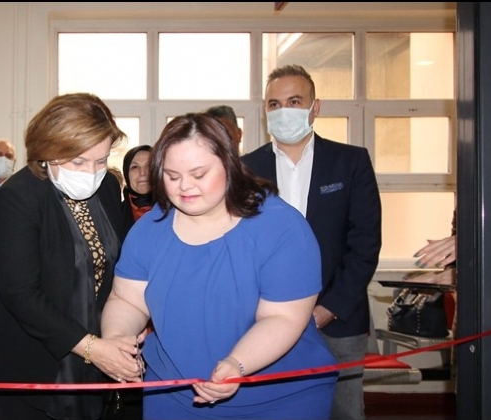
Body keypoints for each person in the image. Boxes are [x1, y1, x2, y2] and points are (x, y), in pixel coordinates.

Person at [102, 112, 337, 419]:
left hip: (279, 398)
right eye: (172, 176)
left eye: (199, 174)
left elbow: (281, 318)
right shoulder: (151, 229)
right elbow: (127, 300)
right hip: (174, 393)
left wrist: (237, 363)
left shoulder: (280, 227)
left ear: (229, 165)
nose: (184, 186)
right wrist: (117, 338)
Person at [0, 93, 143, 420]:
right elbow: (20, 293)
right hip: (32, 358)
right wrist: (92, 347)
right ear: (47, 151)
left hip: (94, 349)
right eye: (78, 162)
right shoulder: (19, 197)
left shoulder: (108, 187)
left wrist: (120, 328)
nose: (91, 173)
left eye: (101, 160)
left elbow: (114, 269)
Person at [241, 64, 381, 420]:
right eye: (274, 104)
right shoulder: (245, 170)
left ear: (314, 107)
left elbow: (365, 243)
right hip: (264, 321)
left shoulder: (350, 162)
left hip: (337, 319)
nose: (283, 111)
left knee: (344, 412)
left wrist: (327, 308)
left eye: (294, 101)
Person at [121, 144, 155, 234]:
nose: (143, 173)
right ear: (126, 174)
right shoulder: (115, 215)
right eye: (135, 167)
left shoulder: (175, 212)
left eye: (149, 166)